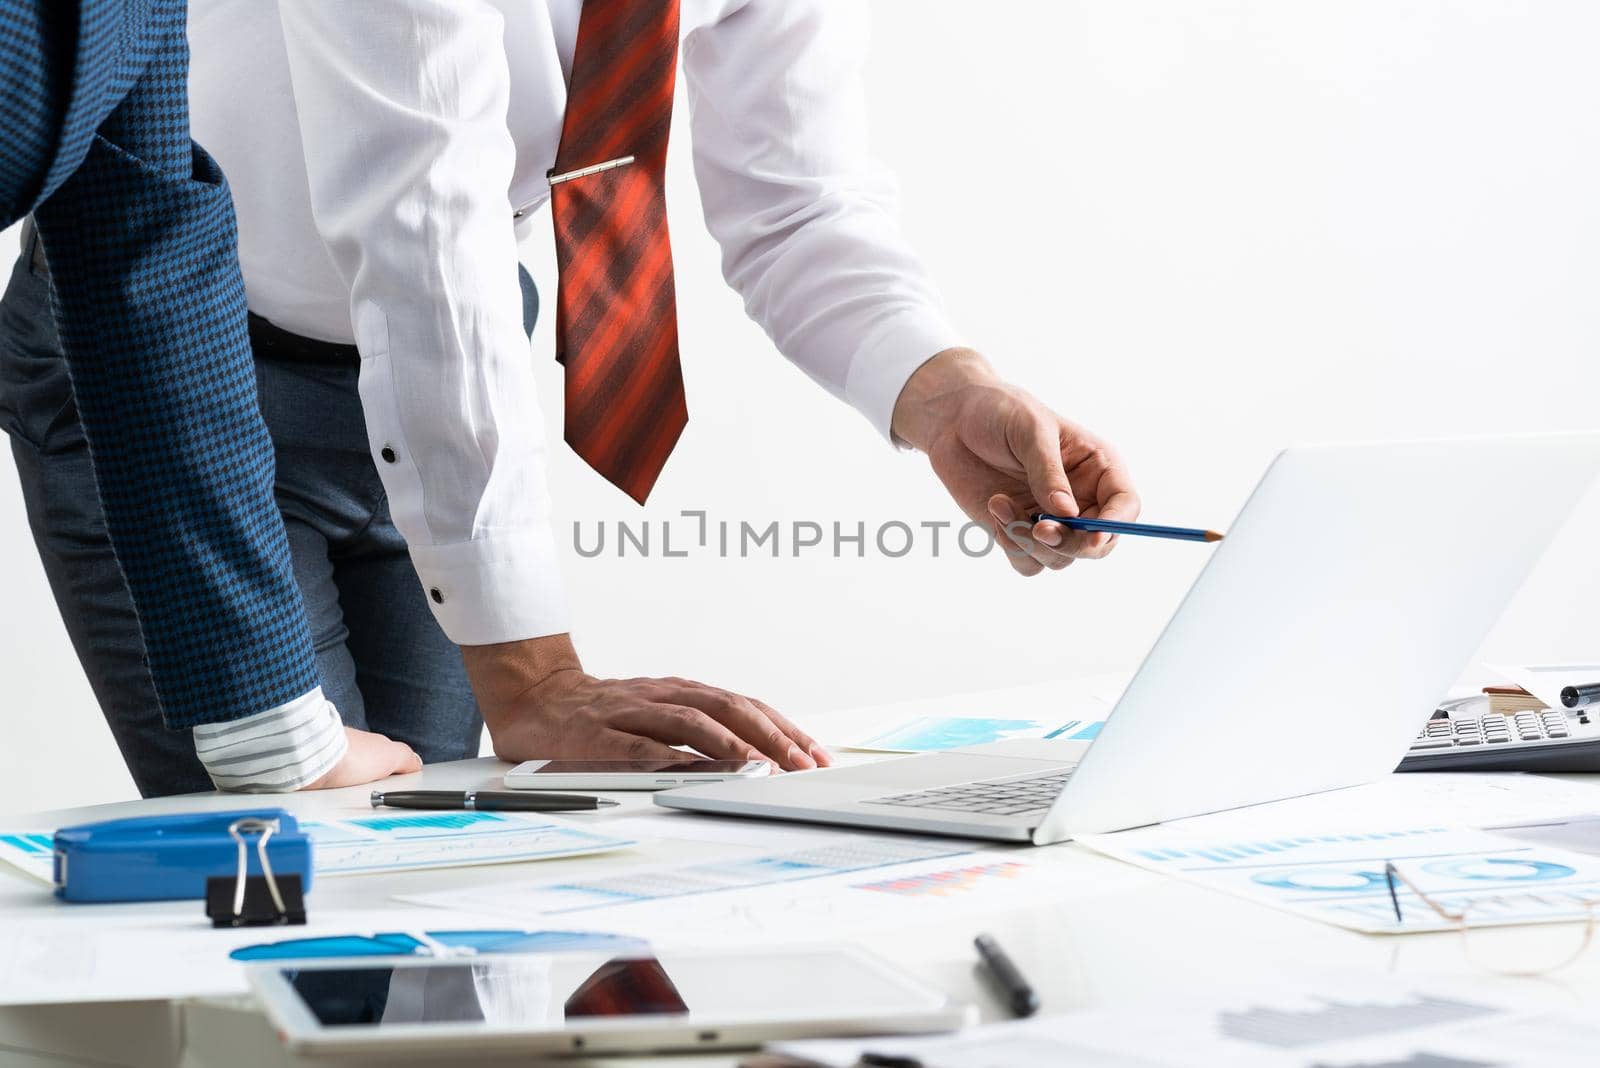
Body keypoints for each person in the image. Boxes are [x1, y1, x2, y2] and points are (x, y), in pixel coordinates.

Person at [0, 0, 1142, 795]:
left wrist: (947, 394)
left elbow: (798, 201)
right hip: (179, 381)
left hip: (448, 390)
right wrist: (534, 674)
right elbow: (422, 213)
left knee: (444, 890)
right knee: (302, 875)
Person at [0, 0, 420, 795]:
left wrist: (276, 736)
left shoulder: (142, 12)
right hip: (203, 387)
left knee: (400, 850)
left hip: (346, 394)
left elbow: (143, 239)